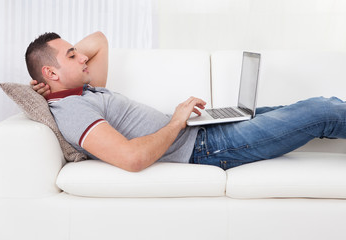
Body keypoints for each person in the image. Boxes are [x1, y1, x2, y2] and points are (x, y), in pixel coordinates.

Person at [26, 32, 346, 172]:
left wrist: (56, 77)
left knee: (321, 103)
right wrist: (177, 120)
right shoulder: (71, 110)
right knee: (320, 114)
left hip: (203, 131)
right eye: (72, 55)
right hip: (207, 147)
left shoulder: (82, 91)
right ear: (50, 70)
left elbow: (98, 40)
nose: (83, 57)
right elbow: (131, 159)